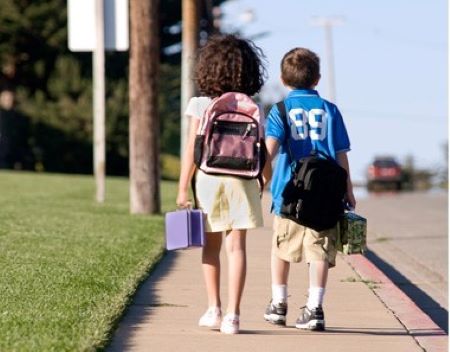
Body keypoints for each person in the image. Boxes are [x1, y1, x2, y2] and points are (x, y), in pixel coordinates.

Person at [176, 34, 266, 334]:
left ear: (208, 68)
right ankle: (234, 315)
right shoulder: (252, 106)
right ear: (249, 70)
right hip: (243, 180)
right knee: (236, 248)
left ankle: (213, 308)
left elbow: (192, 148)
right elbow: (260, 149)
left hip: (209, 179)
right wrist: (263, 178)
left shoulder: (201, 104)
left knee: (210, 247)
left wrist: (181, 188)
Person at [262, 47, 356, 330]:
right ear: (317, 79)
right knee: (319, 250)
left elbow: (270, 150)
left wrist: (260, 179)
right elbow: (341, 154)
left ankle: (279, 304)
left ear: (282, 78)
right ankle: (315, 308)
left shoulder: (280, 110)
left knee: (281, 248)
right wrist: (348, 190)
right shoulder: (330, 110)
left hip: (289, 192)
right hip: (327, 192)